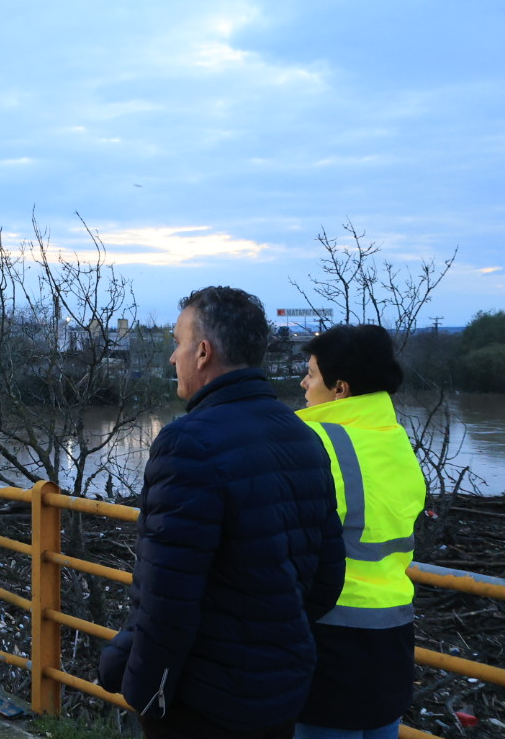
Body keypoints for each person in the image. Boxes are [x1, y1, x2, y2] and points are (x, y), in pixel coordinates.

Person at [99, 286, 345, 739]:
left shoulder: (187, 442)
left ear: (204, 352)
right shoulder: (303, 436)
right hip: (280, 691)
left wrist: (143, 691)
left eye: (178, 343)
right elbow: (327, 580)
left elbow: (167, 598)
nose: (173, 357)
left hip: (204, 702)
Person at [295, 325, 426, 739]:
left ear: (340, 389)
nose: (303, 382)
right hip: (393, 636)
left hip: (329, 636)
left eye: (312, 373)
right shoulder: (397, 440)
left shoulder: (312, 441)